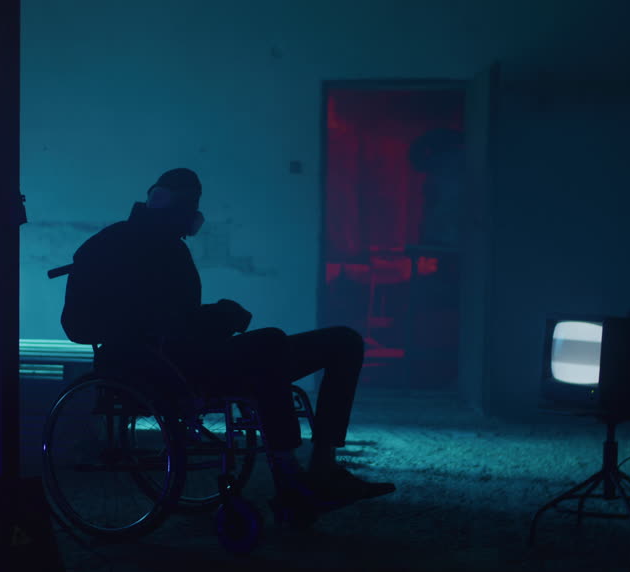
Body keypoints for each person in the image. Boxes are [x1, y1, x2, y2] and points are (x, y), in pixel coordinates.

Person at [60, 168, 395, 521]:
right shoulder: (117, 247)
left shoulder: (165, 247)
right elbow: (102, 324)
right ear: (170, 205)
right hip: (167, 367)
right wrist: (212, 319)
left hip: (197, 357)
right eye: (190, 206)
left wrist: (216, 317)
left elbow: (179, 317)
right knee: (271, 345)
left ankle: (322, 466)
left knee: (342, 342)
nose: (192, 219)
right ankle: (293, 477)